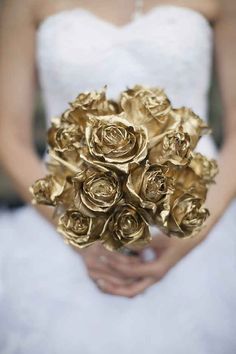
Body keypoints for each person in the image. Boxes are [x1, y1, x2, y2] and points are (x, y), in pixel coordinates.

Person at [0, 0, 236, 353]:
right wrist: (76, 228)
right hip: (63, 223)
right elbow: (8, 131)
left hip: (205, 227)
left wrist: (195, 232)